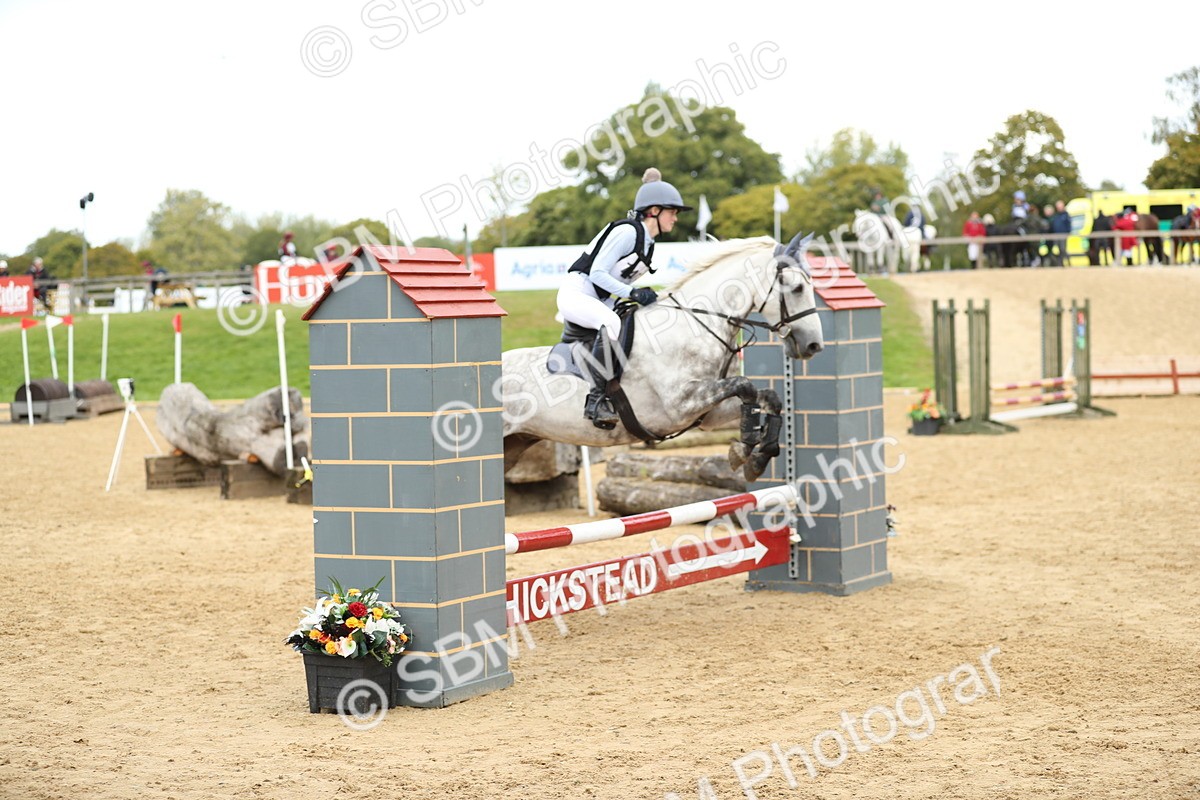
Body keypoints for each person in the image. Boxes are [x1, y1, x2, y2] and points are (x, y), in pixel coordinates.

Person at [557, 167, 690, 428]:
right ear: (654, 211)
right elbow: (597, 273)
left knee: (644, 317)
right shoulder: (628, 232)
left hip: (599, 299)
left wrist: (649, 296)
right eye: (672, 212)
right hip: (577, 293)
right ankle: (596, 400)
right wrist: (632, 293)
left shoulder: (648, 243)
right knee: (612, 322)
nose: (675, 218)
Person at [1049, 200, 1072, 266]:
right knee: (1057, 250)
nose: (1059, 208)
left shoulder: (1066, 215)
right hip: (1056, 235)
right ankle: (1060, 264)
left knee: (1063, 249)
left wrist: (1068, 232)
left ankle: (1068, 263)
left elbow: (1068, 225)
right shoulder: (1056, 216)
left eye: (1060, 207)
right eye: (1058, 207)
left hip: (1063, 235)